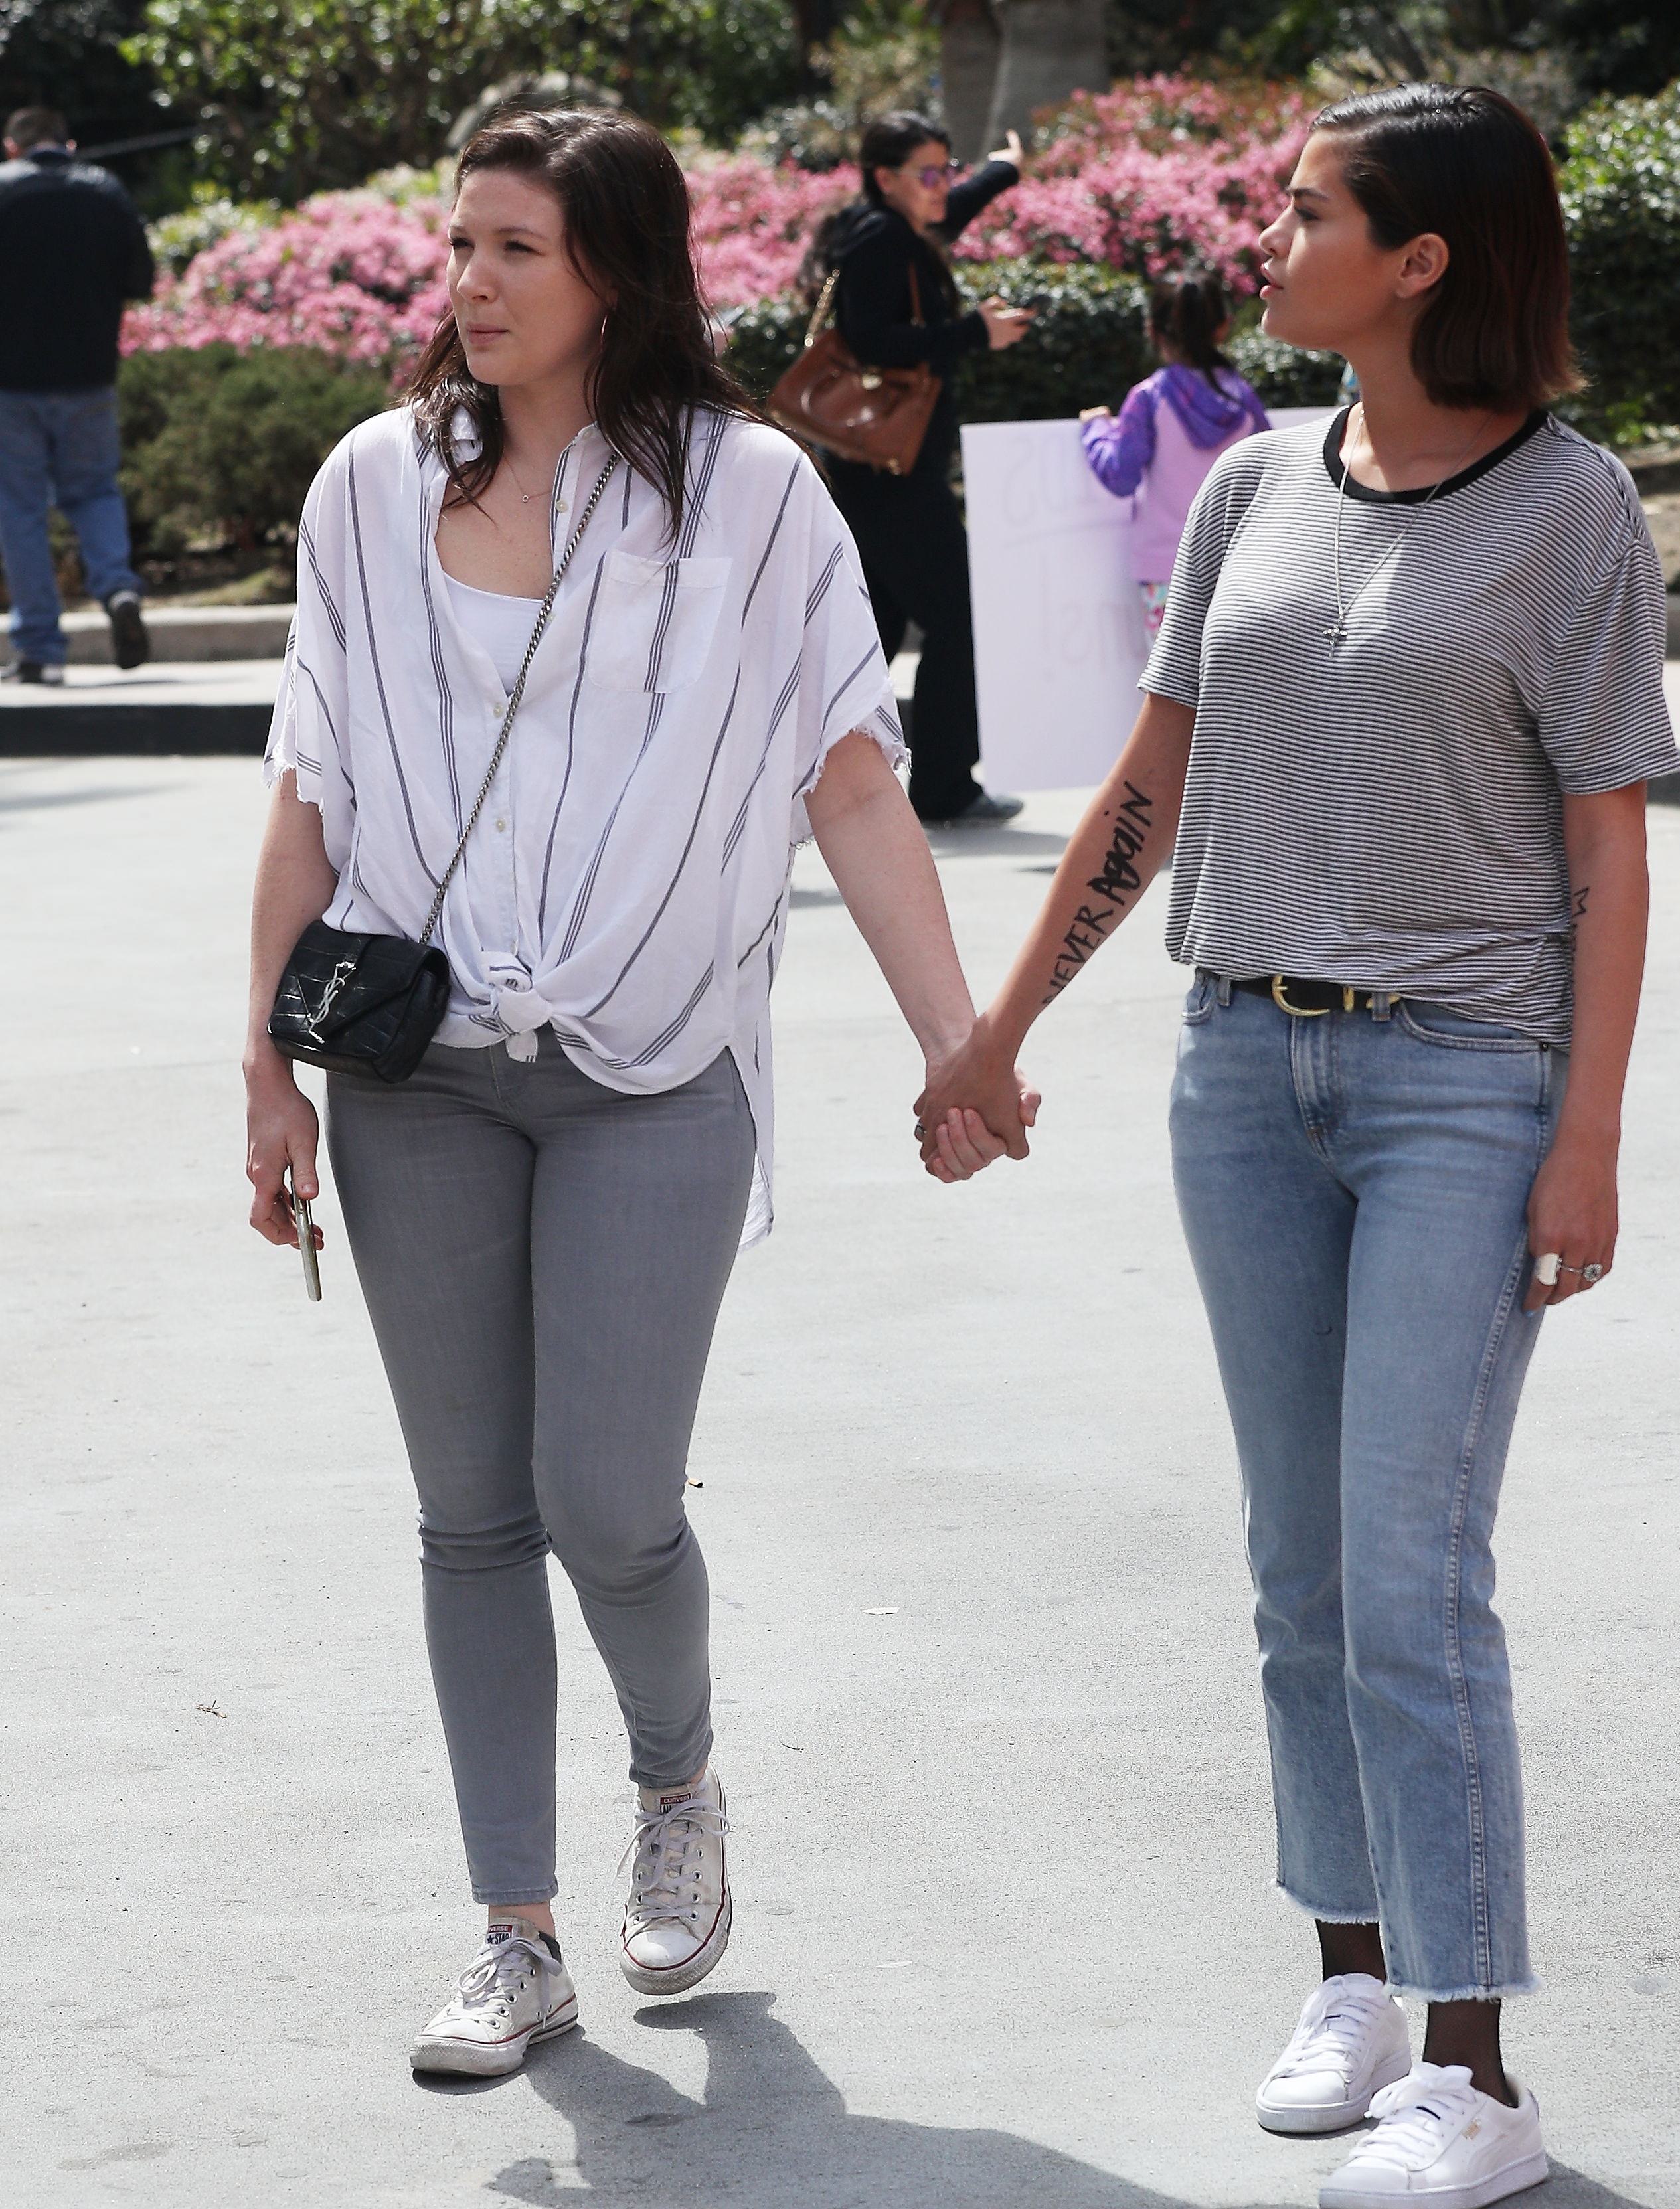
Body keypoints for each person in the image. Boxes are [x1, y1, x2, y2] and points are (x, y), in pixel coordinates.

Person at [916, 84, 1678, 2209]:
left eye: (1308, 206)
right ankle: (1349, 1976)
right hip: (1239, 1069)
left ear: (1423, 256)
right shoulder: (1254, 477)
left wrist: (1585, 1137)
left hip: (1463, 1084)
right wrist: (999, 1024)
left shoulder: (1574, 509)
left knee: (1414, 1577)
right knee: (1297, 1574)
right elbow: (1153, 784)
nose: (1270, 230)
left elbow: (1611, 861)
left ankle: (1478, 2058)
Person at [242, 107, 1028, 2079]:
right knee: (467, 1511)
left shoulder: (753, 501)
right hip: (414, 1070)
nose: (473, 285)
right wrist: (261, 1064)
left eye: (517, 248)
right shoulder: (368, 486)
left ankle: (676, 1783)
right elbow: (309, 792)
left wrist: (961, 1035)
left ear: (617, 268)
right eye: (461, 247)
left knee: (606, 1493)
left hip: (650, 1066)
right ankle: (513, 1932)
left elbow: (851, 774)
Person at [808, 112, 1035, 828]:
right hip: (894, 479)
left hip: (884, 474)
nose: (945, 186)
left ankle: (824, 782)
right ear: (886, 179)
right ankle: (942, 786)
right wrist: (976, 332)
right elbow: (872, 338)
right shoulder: (883, 239)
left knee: (875, 627)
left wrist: (1003, 169)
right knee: (960, 617)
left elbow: (951, 212)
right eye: (929, 174)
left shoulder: (898, 227)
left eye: (949, 168)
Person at [0, 106, 152, 686]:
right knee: (93, 491)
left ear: (12, 148)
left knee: (19, 510)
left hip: (11, 383)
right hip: (90, 375)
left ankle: (40, 648)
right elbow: (139, 277)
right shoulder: (104, 191)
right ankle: (117, 590)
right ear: (70, 145)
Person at [1078, 271, 1271, 640]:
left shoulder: (1150, 399)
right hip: (1240, 573)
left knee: (1173, 693)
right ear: (1223, 327)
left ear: (1153, 330)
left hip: (1165, 572)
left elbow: (1120, 476)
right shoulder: (1244, 399)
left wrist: (1096, 429)